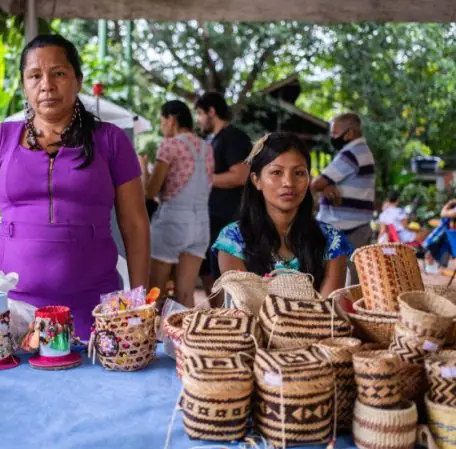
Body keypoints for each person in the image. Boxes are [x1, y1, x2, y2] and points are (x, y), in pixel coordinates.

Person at [0, 34, 150, 339]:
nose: (46, 85)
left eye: (58, 73)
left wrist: (138, 303)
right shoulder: (0, 139)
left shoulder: (111, 140)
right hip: (10, 312)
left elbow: (135, 224)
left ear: (78, 80)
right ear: (24, 85)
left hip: (93, 310)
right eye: (35, 76)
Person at [213, 133, 352, 297]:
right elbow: (247, 305)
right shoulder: (233, 240)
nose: (288, 183)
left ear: (309, 178)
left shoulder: (332, 240)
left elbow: (328, 308)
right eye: (276, 172)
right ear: (256, 180)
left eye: (299, 173)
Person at [141, 100, 214, 307]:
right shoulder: (207, 148)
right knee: (186, 295)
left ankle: (155, 329)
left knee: (154, 293)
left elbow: (150, 191)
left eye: (162, 121)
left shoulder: (170, 145)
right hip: (201, 224)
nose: (162, 127)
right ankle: (186, 329)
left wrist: (143, 168)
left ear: (172, 120)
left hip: (172, 222)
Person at [195, 92, 251, 298]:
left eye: (200, 113)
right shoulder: (214, 140)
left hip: (231, 219)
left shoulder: (233, 137)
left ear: (211, 111)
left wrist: (203, 179)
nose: (198, 119)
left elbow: (241, 175)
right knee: (210, 272)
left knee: (231, 281)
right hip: (213, 219)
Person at [311, 112, 375, 284]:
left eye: (335, 133)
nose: (332, 137)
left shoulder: (352, 153)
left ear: (350, 133)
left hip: (348, 228)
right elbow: (323, 183)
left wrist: (323, 185)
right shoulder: (360, 151)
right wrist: (326, 186)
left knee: (344, 283)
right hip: (351, 226)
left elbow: (316, 183)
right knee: (348, 281)